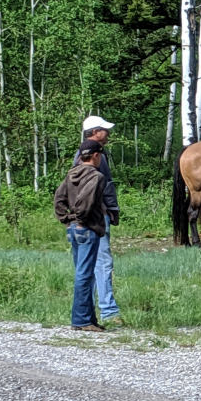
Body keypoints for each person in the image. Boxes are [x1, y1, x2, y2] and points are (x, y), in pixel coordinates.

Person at [54, 139, 110, 332]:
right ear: (95, 155)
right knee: (85, 275)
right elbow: (85, 202)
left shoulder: (71, 174)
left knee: (83, 273)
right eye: (100, 155)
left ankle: (89, 319)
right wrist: (81, 217)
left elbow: (59, 198)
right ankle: (81, 320)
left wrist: (67, 218)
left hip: (73, 229)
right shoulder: (96, 176)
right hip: (88, 228)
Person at [72, 115, 123, 326]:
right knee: (102, 262)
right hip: (96, 218)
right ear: (94, 132)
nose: (108, 133)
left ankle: (87, 313)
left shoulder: (83, 156)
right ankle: (108, 310)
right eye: (104, 129)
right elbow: (105, 186)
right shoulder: (94, 157)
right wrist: (110, 208)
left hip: (84, 218)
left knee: (87, 265)